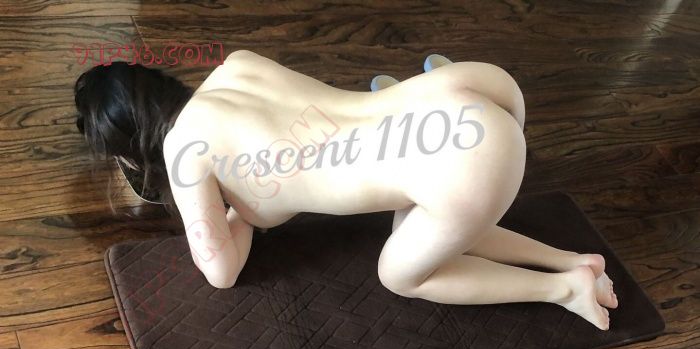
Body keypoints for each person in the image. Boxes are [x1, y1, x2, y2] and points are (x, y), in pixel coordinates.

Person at [74, 50, 618, 330]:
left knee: (402, 274)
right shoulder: (236, 66)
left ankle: (563, 289)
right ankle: (572, 259)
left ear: (129, 149)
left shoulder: (185, 151)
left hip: (464, 157)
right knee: (425, 219)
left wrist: (231, 212)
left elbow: (221, 271)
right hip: (464, 88)